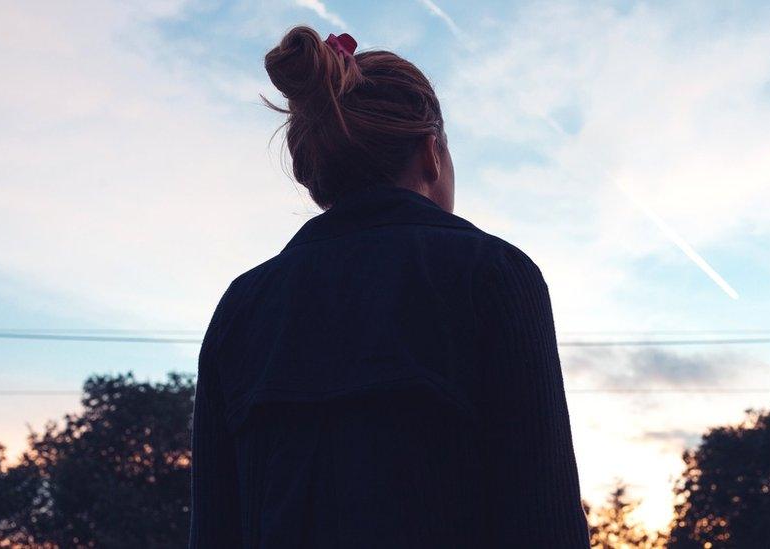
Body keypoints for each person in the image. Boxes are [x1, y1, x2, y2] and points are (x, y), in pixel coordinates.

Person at [189, 25, 589, 548]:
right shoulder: (492, 275)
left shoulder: (241, 308)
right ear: (431, 152)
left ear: (318, 177)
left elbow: (214, 530)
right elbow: (545, 521)